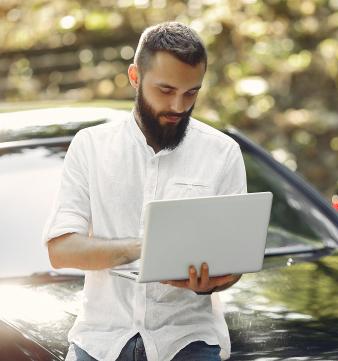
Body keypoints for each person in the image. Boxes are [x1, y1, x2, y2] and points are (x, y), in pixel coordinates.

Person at [43, 21, 247, 361]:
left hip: (188, 341)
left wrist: (212, 282)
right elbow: (61, 249)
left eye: (191, 92)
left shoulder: (222, 153)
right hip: (100, 341)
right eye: (166, 91)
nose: (179, 106)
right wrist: (147, 248)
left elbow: (234, 262)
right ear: (135, 76)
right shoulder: (90, 147)